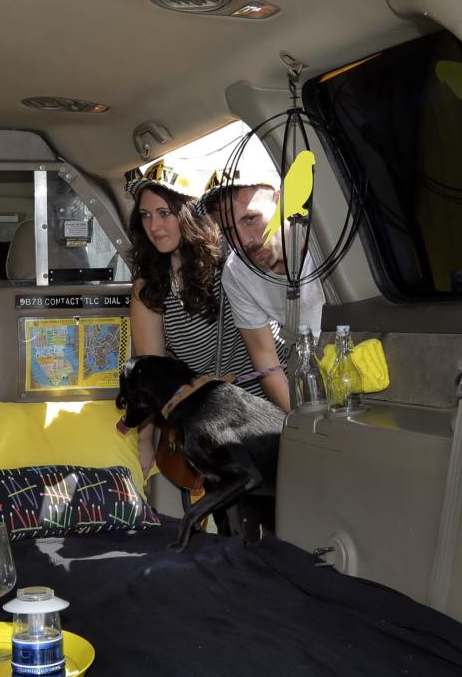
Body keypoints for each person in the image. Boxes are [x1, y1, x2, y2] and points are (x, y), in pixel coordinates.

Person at [123, 179, 280, 469]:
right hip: (219, 423)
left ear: (188, 212)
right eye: (145, 215)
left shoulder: (232, 259)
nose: (154, 226)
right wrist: (143, 444)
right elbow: (152, 375)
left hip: (270, 404)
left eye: (164, 213)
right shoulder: (149, 286)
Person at [209, 180, 325, 412]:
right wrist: (301, 424)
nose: (243, 242)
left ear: (281, 201)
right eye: (229, 231)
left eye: (250, 218)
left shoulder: (323, 243)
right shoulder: (237, 272)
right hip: (312, 375)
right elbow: (266, 361)